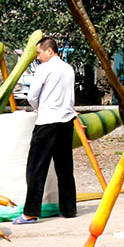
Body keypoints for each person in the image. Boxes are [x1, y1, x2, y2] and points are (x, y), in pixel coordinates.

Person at [13, 37, 77, 224]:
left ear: (49, 51)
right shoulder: (68, 68)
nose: (38, 57)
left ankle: (30, 212)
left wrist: (38, 107)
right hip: (66, 120)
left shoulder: (44, 69)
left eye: (39, 53)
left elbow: (33, 95)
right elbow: (70, 96)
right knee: (65, 167)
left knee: (36, 167)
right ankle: (69, 209)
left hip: (47, 121)